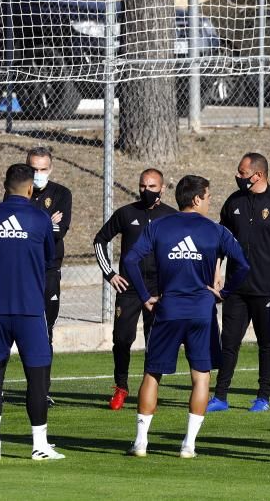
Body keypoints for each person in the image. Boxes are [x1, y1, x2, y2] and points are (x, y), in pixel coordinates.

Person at [124, 175, 249, 458]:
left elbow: (131, 260)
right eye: (207, 197)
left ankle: (141, 443)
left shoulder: (157, 226)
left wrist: (145, 296)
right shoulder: (216, 231)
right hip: (202, 311)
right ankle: (188, 445)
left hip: (168, 309)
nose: (209, 202)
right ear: (196, 199)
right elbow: (243, 264)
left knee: (152, 374)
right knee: (201, 377)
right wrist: (224, 292)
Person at [0, 164, 64, 461]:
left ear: (5, 185)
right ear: (30, 189)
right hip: (29, 307)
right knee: (37, 377)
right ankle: (39, 445)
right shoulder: (40, 219)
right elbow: (47, 258)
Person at [209, 153, 270, 413]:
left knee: (267, 343)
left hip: (268, 287)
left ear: (257, 175)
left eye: (242, 173)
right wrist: (217, 270)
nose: (238, 177)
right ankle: (221, 396)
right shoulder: (233, 202)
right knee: (229, 342)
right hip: (236, 288)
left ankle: (263, 396)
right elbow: (221, 240)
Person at [93, 168, 178, 410]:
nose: (146, 191)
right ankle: (121, 387)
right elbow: (100, 240)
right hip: (129, 288)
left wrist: (171, 283)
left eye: (152, 187)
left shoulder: (171, 217)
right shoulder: (126, 213)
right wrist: (110, 274)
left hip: (158, 289)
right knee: (121, 339)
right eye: (143, 186)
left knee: (156, 341)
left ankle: (149, 389)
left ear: (162, 188)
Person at [26, 146, 71, 407]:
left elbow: (58, 231)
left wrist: (36, 223)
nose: (38, 174)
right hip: (23, 271)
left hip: (48, 270)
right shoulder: (20, 190)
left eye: (43, 169)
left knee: (45, 330)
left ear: (50, 169)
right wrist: (45, 220)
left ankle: (42, 389)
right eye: (34, 169)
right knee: (8, 329)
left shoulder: (62, 194)